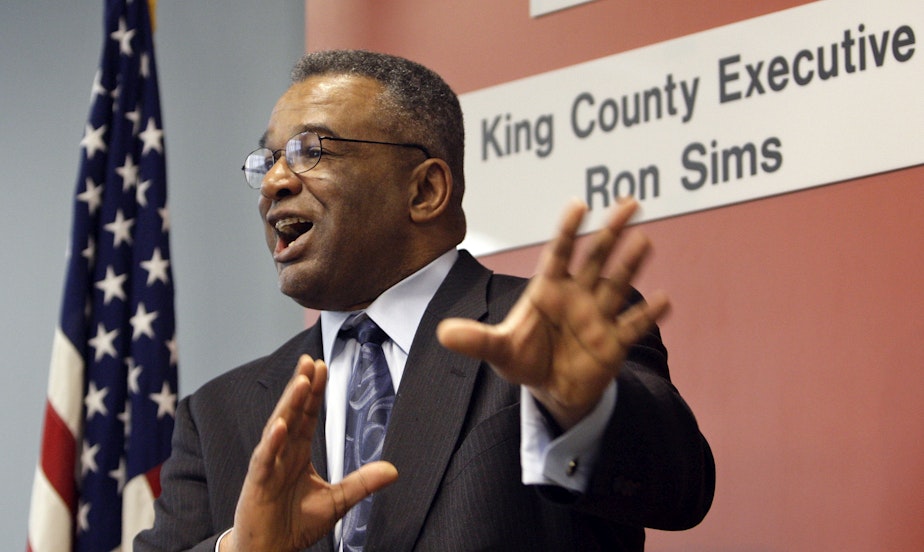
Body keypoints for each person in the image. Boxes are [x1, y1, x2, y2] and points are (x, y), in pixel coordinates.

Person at [135, 50, 714, 552]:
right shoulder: (217, 414)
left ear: (425, 190)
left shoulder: (547, 335)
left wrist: (580, 409)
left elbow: (680, 491)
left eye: (310, 150)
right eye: (268, 160)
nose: (274, 182)